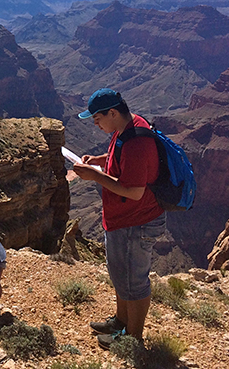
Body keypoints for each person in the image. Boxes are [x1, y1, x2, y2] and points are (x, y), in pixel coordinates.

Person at [72, 88, 165, 350]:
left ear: (112, 112)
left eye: (97, 118)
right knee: (120, 275)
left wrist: (95, 176)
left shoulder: (136, 141)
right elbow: (119, 161)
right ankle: (121, 322)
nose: (95, 124)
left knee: (134, 281)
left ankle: (132, 338)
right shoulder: (126, 127)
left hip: (137, 222)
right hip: (122, 221)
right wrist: (99, 161)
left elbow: (134, 191)